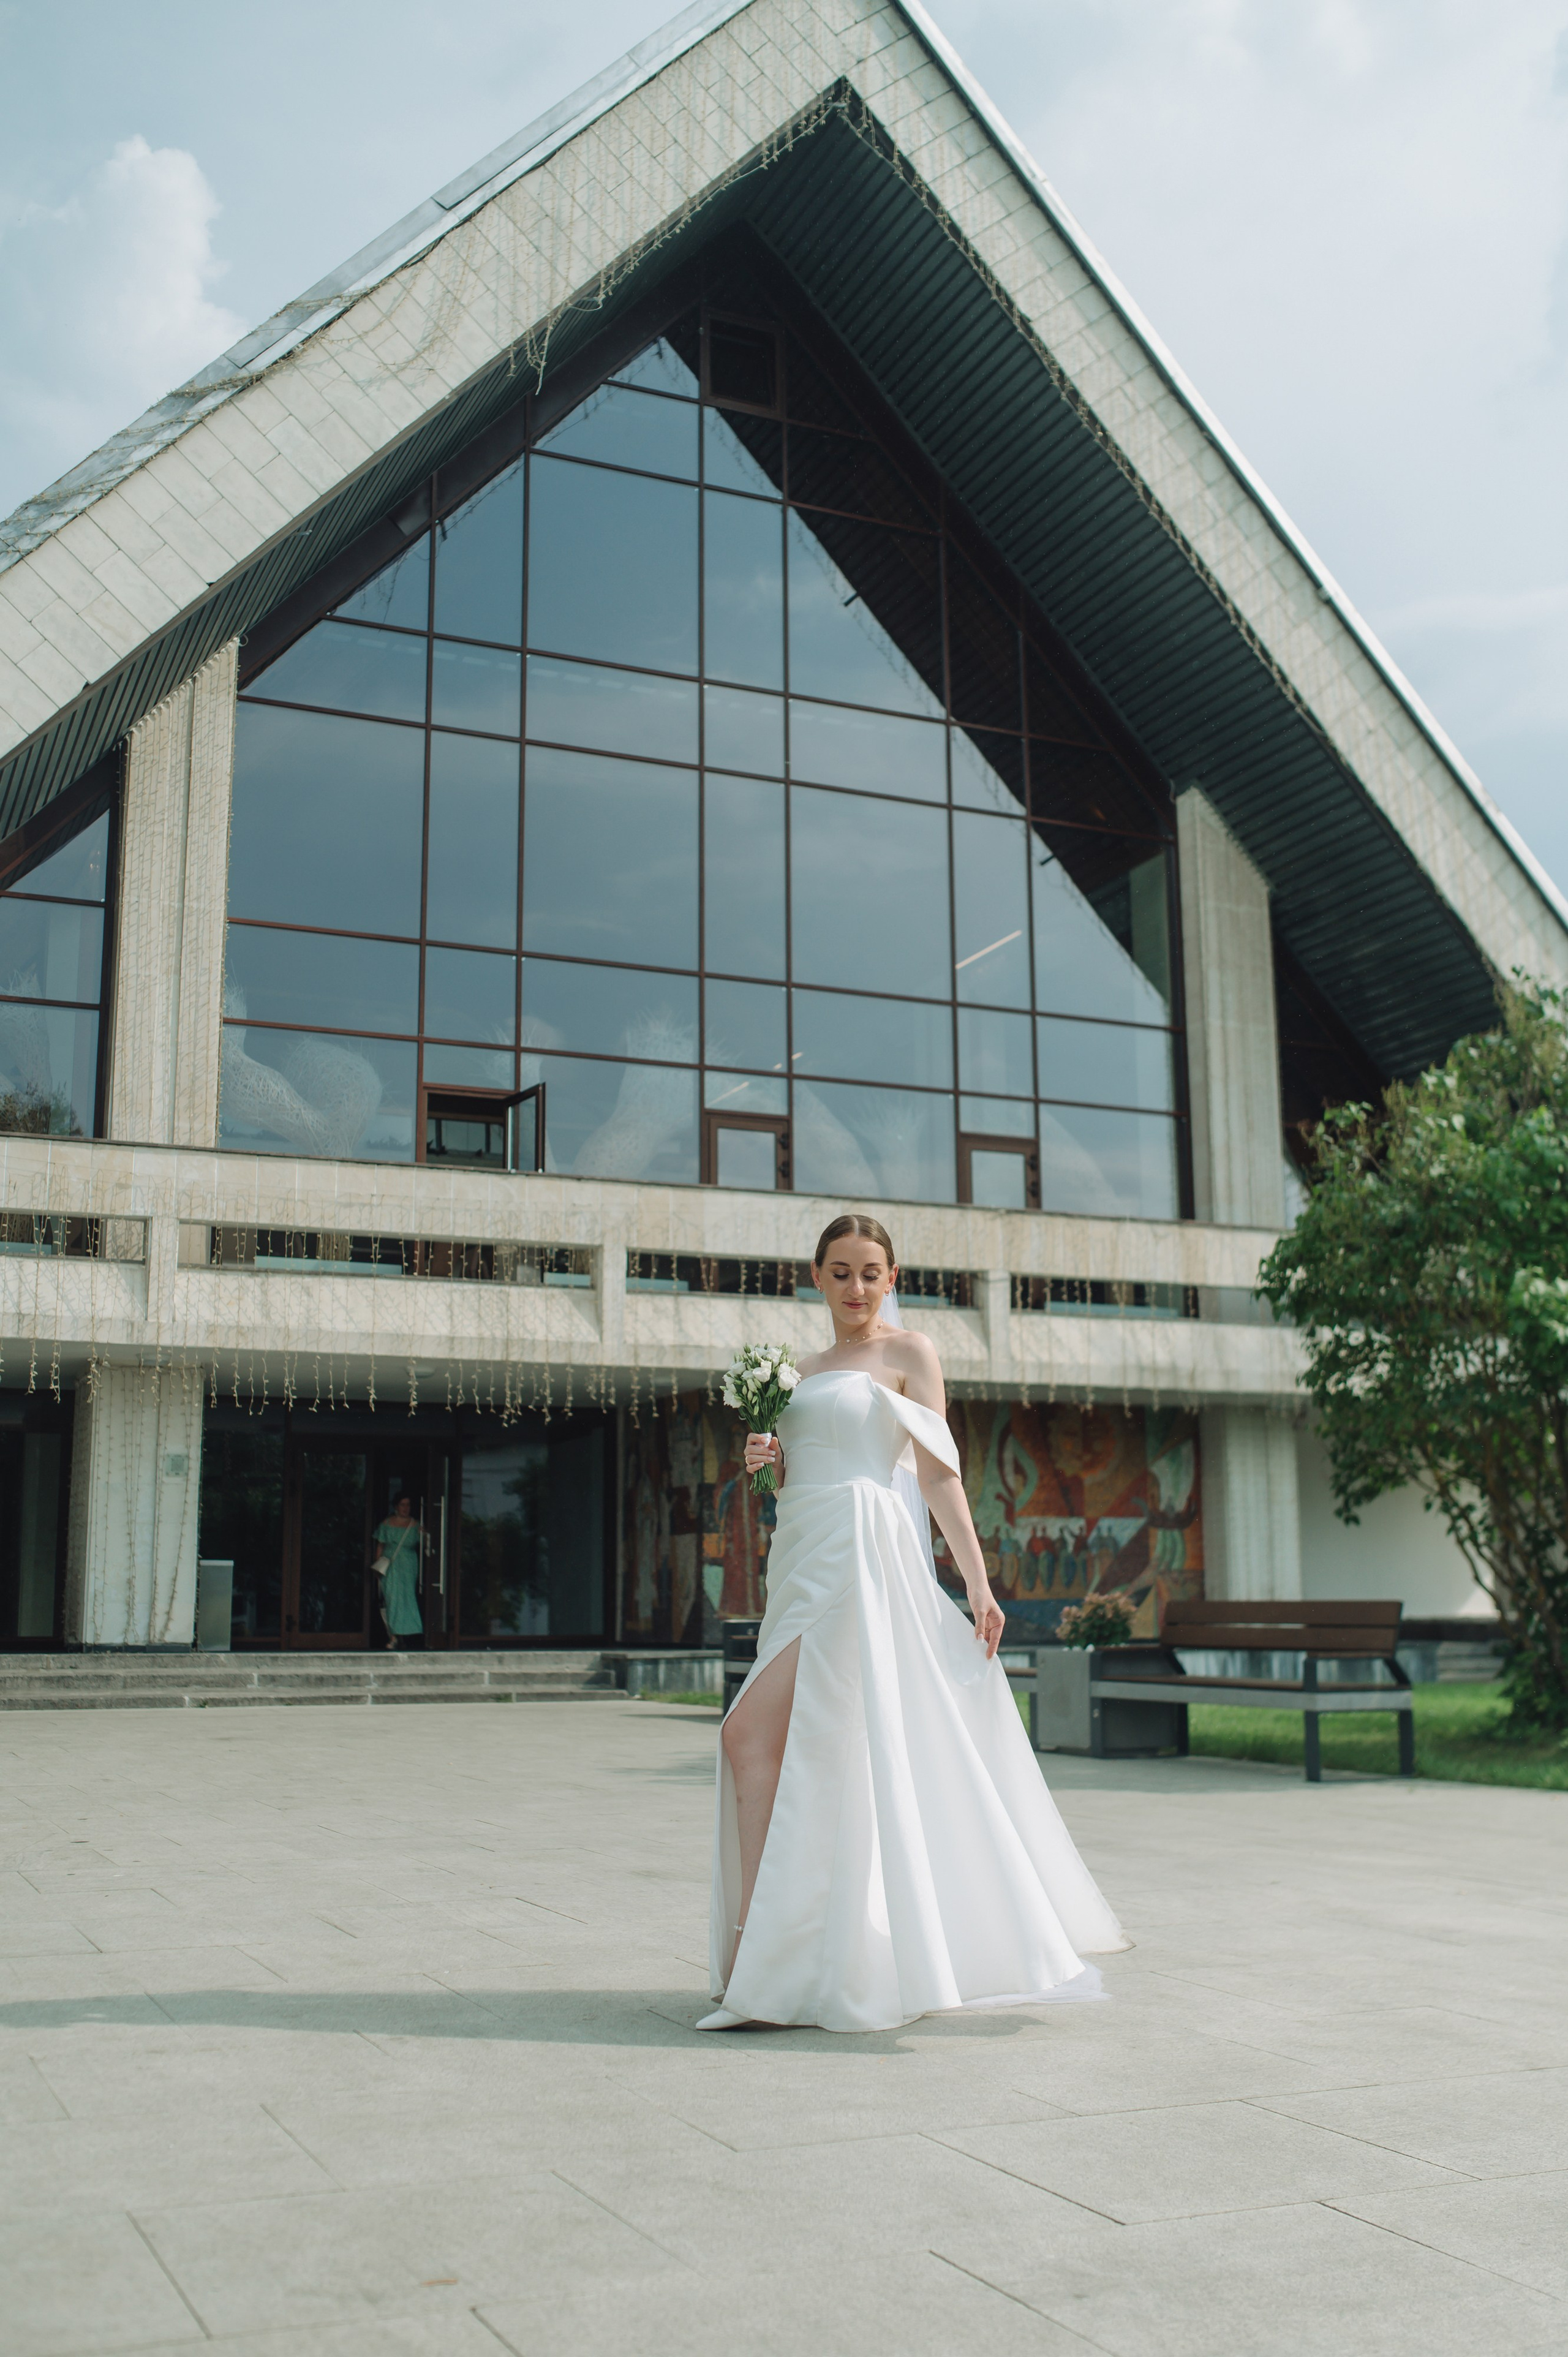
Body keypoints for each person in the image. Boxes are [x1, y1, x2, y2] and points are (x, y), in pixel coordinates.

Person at [701, 1212, 1128, 2033]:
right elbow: (792, 1474)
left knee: (768, 1737)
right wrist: (767, 1463)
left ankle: (774, 1968)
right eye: (840, 1271)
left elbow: (937, 1478)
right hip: (801, 1555)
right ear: (816, 1278)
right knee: (772, 1745)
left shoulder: (910, 1355)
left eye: (871, 1272)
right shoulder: (793, 1369)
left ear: (891, 1279)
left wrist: (979, 1585)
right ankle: (766, 1965)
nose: (856, 1287)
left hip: (864, 1554)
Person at [372, 1496, 423, 1651]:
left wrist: (424, 1535)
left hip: (408, 1565)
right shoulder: (387, 1524)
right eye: (403, 1505)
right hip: (391, 1564)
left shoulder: (416, 1525)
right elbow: (380, 1546)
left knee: (406, 1600)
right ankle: (394, 1636)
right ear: (396, 1506)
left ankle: (402, 1636)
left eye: (408, 1505)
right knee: (392, 1599)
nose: (406, 1508)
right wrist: (379, 1567)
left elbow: (426, 1545)